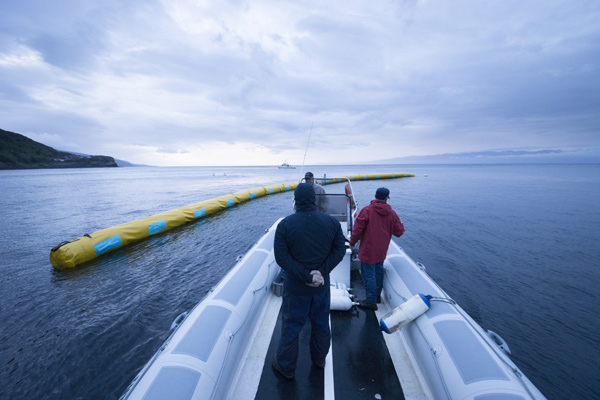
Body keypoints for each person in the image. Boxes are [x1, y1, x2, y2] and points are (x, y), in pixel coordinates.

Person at [272, 183, 346, 380]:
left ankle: (286, 368)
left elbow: (282, 258)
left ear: (295, 201)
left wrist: (307, 276)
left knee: (291, 327)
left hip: (295, 289)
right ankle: (319, 360)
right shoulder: (331, 223)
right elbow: (339, 250)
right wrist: (320, 273)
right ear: (314, 199)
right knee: (321, 324)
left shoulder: (285, 225)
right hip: (321, 288)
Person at [350, 187, 405, 311]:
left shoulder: (367, 210)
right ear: (386, 198)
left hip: (368, 249)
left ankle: (371, 301)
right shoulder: (392, 213)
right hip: (382, 250)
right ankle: (377, 296)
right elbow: (399, 232)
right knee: (378, 272)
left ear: (375, 196)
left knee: (368, 274)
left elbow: (357, 229)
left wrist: (352, 243)